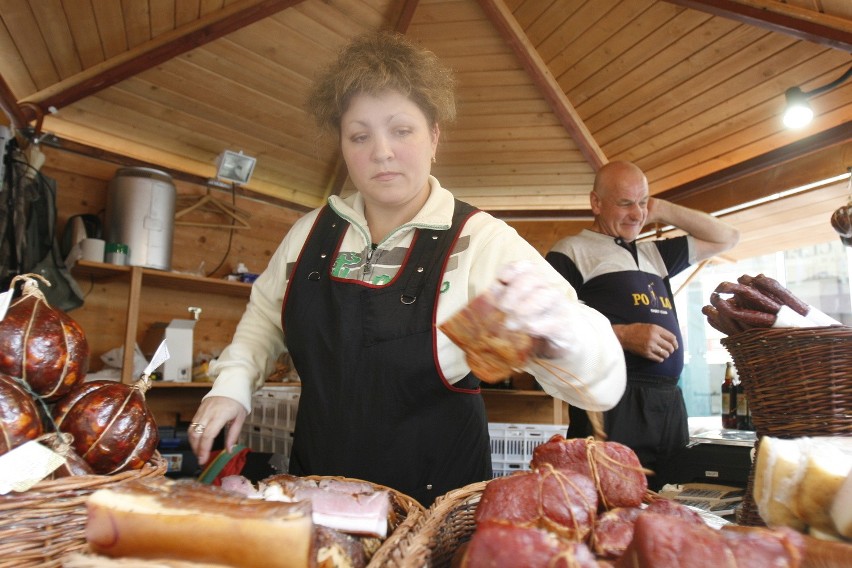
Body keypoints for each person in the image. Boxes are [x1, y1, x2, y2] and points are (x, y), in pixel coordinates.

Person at [188, 31, 625, 507]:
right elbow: (263, 320)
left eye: (401, 130)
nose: (381, 152)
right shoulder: (308, 234)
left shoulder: (482, 241)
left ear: (434, 136)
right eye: (360, 135)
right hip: (319, 492)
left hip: (436, 506)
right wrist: (231, 386)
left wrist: (560, 328)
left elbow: (602, 379)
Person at [546, 160, 740, 490]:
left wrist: (661, 209)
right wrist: (620, 335)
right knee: (609, 503)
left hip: (668, 404)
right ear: (596, 203)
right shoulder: (571, 251)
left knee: (670, 498)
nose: (636, 214)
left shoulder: (655, 254)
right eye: (624, 203)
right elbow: (548, 326)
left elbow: (727, 237)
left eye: (642, 202)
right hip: (612, 402)